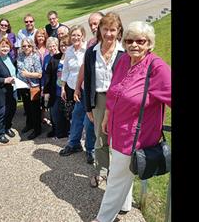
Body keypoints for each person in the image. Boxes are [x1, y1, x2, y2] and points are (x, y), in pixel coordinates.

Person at [92, 21, 171, 222]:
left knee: (115, 178)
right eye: (129, 40)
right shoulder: (124, 60)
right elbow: (113, 91)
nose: (134, 45)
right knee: (123, 171)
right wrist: (107, 117)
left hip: (135, 136)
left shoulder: (157, 68)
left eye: (140, 41)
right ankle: (125, 205)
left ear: (149, 43)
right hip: (117, 129)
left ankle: (103, 219)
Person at [83, 12, 126, 189]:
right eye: (105, 29)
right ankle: (101, 171)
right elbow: (87, 79)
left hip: (120, 102)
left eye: (113, 30)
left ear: (119, 31)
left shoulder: (125, 53)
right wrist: (88, 107)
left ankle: (117, 174)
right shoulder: (91, 53)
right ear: (99, 30)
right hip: (99, 101)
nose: (109, 33)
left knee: (118, 139)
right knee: (100, 138)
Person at [58, 25, 95, 164]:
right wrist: (63, 87)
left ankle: (91, 150)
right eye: (73, 35)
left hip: (88, 90)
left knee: (88, 120)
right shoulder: (69, 51)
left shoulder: (88, 49)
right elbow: (66, 70)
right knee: (77, 116)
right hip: (75, 89)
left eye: (78, 35)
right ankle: (74, 144)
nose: (75, 38)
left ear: (83, 36)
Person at [43, 35, 70, 139]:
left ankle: (69, 133)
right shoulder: (54, 58)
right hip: (56, 92)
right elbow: (48, 76)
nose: (64, 48)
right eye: (62, 45)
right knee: (55, 114)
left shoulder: (72, 57)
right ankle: (59, 133)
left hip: (69, 91)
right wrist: (46, 91)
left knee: (68, 114)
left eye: (66, 45)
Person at [17, 38, 43, 140]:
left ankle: (37, 129)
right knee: (27, 108)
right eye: (24, 46)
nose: (26, 48)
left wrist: (28, 74)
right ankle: (29, 124)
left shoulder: (35, 57)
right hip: (23, 86)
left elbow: (39, 74)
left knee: (35, 109)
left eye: (28, 46)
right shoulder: (20, 56)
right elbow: (19, 70)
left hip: (33, 87)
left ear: (32, 46)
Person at [42, 36, 59, 137]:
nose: (52, 48)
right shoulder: (46, 58)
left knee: (58, 109)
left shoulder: (61, 56)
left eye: (54, 46)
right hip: (49, 87)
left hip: (58, 86)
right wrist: (44, 88)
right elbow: (44, 74)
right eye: (49, 46)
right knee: (51, 109)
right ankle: (54, 128)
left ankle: (61, 129)